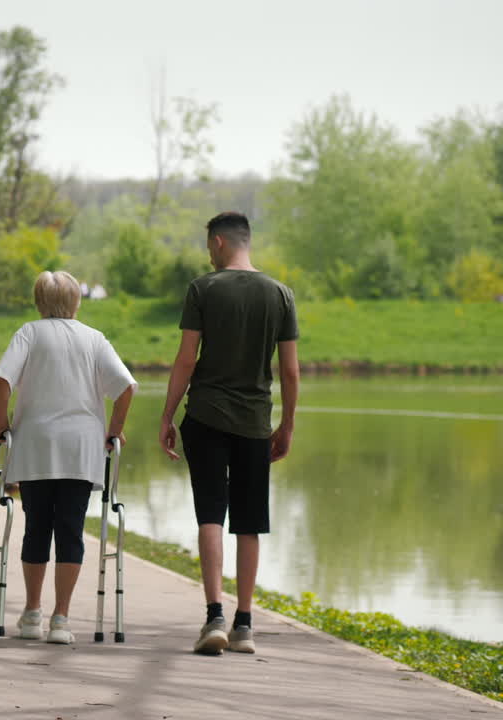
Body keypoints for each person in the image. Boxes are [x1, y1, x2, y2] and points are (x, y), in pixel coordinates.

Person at [158, 211, 299, 656]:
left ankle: (214, 615)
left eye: (208, 246)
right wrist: (287, 424)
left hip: (205, 417)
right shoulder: (280, 294)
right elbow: (291, 371)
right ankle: (244, 623)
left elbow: (185, 359)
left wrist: (166, 415)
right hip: (255, 423)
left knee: (210, 515)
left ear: (218, 242)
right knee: (250, 522)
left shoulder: (203, 288)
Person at [0, 270, 136, 645]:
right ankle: (61, 619)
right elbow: (124, 388)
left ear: (40, 302)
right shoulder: (94, 338)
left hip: (36, 446)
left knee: (36, 526)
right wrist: (115, 430)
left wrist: (1, 422)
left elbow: (0, 379)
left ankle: (32, 612)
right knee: (70, 528)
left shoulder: (29, 333)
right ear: (76, 302)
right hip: (80, 449)